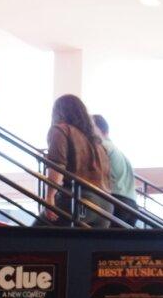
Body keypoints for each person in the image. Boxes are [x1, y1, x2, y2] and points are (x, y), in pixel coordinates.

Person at [36, 94, 112, 227]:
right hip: (105, 206)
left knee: (32, 239)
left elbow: (57, 166)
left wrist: (49, 197)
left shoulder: (60, 130)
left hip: (80, 199)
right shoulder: (96, 142)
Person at [91, 114, 139, 227]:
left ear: (103, 131)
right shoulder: (117, 151)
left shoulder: (102, 146)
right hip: (131, 203)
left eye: (91, 127)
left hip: (116, 201)